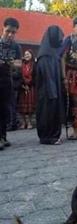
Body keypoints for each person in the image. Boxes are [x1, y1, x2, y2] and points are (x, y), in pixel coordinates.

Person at [35, 25, 65, 145]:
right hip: (48, 91)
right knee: (47, 113)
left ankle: (52, 136)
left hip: (53, 90)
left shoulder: (51, 53)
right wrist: (53, 91)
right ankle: (48, 137)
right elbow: (47, 76)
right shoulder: (46, 55)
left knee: (51, 113)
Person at [0, 17, 22, 150]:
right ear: (3, 29)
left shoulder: (16, 46)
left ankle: (3, 136)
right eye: (8, 31)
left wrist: (9, 62)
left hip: (7, 81)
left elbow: (19, 63)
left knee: (5, 110)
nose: (10, 35)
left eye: (13, 32)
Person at [17, 49, 36, 129]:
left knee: (30, 107)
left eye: (28, 54)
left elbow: (35, 75)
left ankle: (29, 122)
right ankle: (23, 122)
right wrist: (23, 84)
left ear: (31, 55)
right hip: (22, 87)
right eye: (25, 54)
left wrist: (29, 84)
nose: (26, 55)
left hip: (31, 87)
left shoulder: (34, 65)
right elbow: (19, 75)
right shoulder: (21, 64)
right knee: (22, 107)